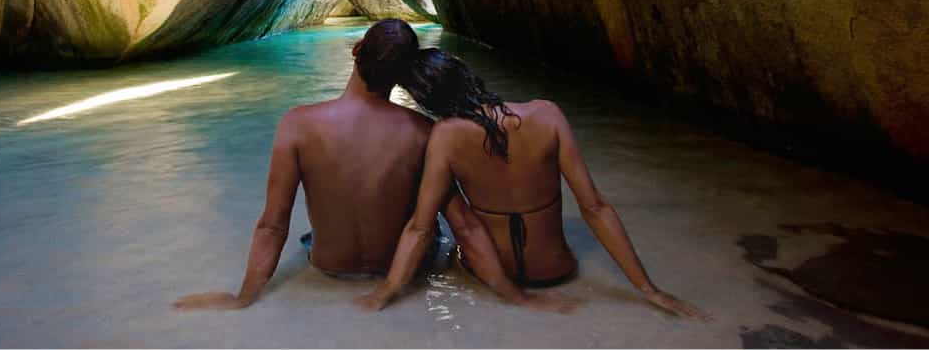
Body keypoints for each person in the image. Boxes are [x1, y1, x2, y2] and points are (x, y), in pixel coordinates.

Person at [174, 20, 575, 312]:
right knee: (427, 222)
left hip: (329, 267)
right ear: (403, 77)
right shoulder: (423, 132)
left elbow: (272, 224)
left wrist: (243, 297)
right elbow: (465, 226)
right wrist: (516, 296)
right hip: (405, 269)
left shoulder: (297, 124)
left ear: (355, 52)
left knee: (311, 231)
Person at [354, 48, 707, 318]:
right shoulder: (546, 114)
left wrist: (386, 291)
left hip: (489, 273)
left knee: (440, 199)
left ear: (426, 102)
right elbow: (594, 207)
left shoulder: (444, 136)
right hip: (557, 270)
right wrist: (650, 290)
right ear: (466, 74)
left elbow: (420, 228)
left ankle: (509, 294)